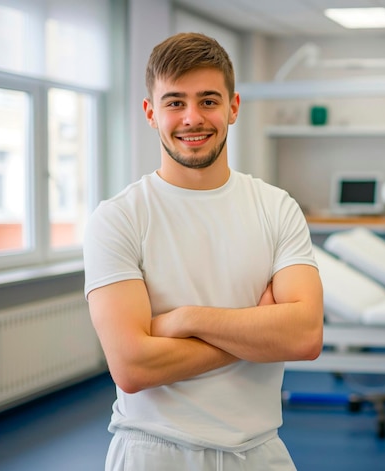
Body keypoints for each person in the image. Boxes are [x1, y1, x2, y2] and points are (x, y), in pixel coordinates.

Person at [83, 32, 324, 470]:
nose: (192, 118)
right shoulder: (118, 218)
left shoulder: (276, 207)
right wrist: (258, 333)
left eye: (208, 101)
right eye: (174, 102)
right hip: (153, 451)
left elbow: (305, 336)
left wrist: (185, 320)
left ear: (233, 107)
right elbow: (133, 367)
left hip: (260, 450)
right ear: (150, 112)